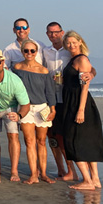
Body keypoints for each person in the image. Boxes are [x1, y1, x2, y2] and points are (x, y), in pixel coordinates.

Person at [61, 31, 103, 190]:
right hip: (72, 101)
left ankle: (87, 180)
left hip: (78, 103)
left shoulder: (82, 59)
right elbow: (90, 72)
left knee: (73, 141)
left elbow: (85, 87)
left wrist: (80, 110)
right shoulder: (74, 59)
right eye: (68, 43)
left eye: (73, 42)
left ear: (80, 42)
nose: (71, 45)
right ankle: (95, 180)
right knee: (86, 141)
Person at [12, 39, 57, 184]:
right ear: (22, 52)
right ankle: (33, 175)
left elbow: (50, 92)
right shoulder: (16, 68)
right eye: (26, 50)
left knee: (42, 141)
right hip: (25, 109)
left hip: (42, 108)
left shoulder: (43, 70)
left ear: (36, 52)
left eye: (32, 51)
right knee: (29, 141)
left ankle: (43, 173)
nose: (29, 53)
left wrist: (53, 109)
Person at [0, 49, 30, 182]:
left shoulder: (14, 80)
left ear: (3, 62)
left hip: (11, 108)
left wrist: (19, 115)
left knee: (13, 135)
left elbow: (25, 104)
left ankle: (14, 171)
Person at [42, 21, 77, 180]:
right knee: (52, 136)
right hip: (49, 98)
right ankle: (61, 169)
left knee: (64, 136)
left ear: (62, 32)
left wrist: (90, 75)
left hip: (67, 98)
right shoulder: (45, 51)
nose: (53, 35)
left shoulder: (69, 49)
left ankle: (72, 170)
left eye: (56, 32)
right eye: (50, 33)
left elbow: (86, 65)